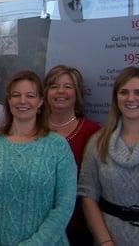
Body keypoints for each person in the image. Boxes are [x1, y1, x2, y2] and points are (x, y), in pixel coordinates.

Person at [0, 70, 77, 245]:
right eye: (16, 95)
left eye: (30, 95)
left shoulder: (57, 146)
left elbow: (64, 206)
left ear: (40, 101)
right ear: (9, 100)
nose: (22, 101)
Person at [79, 66, 139, 245]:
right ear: (116, 98)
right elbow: (88, 194)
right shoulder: (98, 142)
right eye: (123, 92)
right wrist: (105, 242)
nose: (130, 98)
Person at [44, 65, 100, 245]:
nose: (60, 91)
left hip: (77, 226)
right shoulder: (32, 128)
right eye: (54, 86)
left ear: (78, 93)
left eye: (67, 87)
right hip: (36, 225)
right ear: (45, 92)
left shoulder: (93, 132)